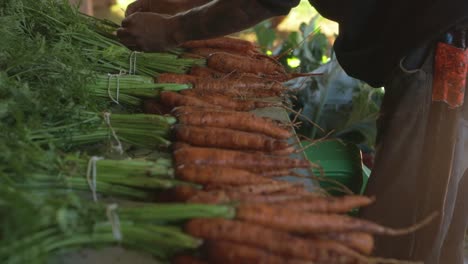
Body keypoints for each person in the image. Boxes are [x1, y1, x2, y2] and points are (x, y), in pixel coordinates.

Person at [118, 1, 468, 263]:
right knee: (440, 208)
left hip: (448, 46)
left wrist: (172, 30)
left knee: (412, 212)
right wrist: (176, 13)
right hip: (437, 36)